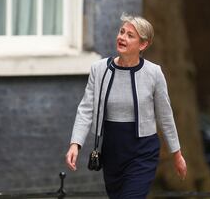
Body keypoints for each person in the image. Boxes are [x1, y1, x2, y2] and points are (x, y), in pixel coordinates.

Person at [65, 14, 187, 198]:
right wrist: (75, 144)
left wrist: (176, 154)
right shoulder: (99, 70)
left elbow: (165, 116)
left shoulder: (153, 73)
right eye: (122, 32)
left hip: (143, 152)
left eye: (130, 35)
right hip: (112, 150)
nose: (122, 37)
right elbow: (86, 109)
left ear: (143, 45)